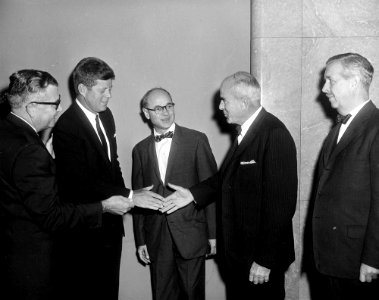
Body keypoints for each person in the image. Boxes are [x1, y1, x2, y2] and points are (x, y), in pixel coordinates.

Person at [161, 71, 298, 300]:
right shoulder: (246, 133)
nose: (220, 106)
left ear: (244, 102)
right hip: (239, 258)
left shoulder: (274, 134)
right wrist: (193, 194)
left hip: (259, 262)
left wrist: (264, 261)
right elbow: (226, 179)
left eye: (224, 100)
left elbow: (281, 206)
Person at [0, 69, 132, 300]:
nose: (59, 109)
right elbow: (51, 216)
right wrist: (103, 206)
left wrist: (47, 162)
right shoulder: (31, 151)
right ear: (31, 107)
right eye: (54, 103)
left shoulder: (7, 132)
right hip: (33, 267)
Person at [52, 57, 163, 300]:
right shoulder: (66, 127)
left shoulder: (106, 115)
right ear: (82, 89)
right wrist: (132, 196)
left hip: (111, 229)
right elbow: (80, 184)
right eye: (103, 90)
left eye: (110, 89)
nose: (108, 95)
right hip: (84, 235)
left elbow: (113, 166)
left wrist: (125, 197)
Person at [132, 87, 217, 300]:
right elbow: (138, 199)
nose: (166, 112)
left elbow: (212, 187)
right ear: (146, 112)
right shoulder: (140, 150)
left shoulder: (196, 140)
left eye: (169, 106)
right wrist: (141, 240)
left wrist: (213, 234)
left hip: (191, 236)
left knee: (192, 295)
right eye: (159, 108)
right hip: (157, 239)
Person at [311, 53, 379, 299]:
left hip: (358, 263)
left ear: (353, 82)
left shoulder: (376, 126)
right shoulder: (337, 130)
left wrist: (374, 259)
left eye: (331, 80)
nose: (323, 88)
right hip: (330, 259)